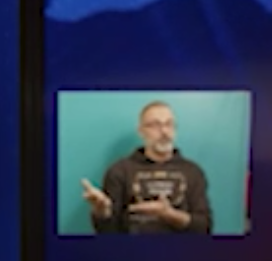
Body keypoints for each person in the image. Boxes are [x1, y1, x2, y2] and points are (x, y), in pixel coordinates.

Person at [80, 100, 213, 235]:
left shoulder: (193, 172)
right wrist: (102, 212)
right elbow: (107, 233)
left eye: (169, 124)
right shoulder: (120, 171)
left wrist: (169, 214)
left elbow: (204, 227)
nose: (164, 131)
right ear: (141, 131)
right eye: (155, 125)